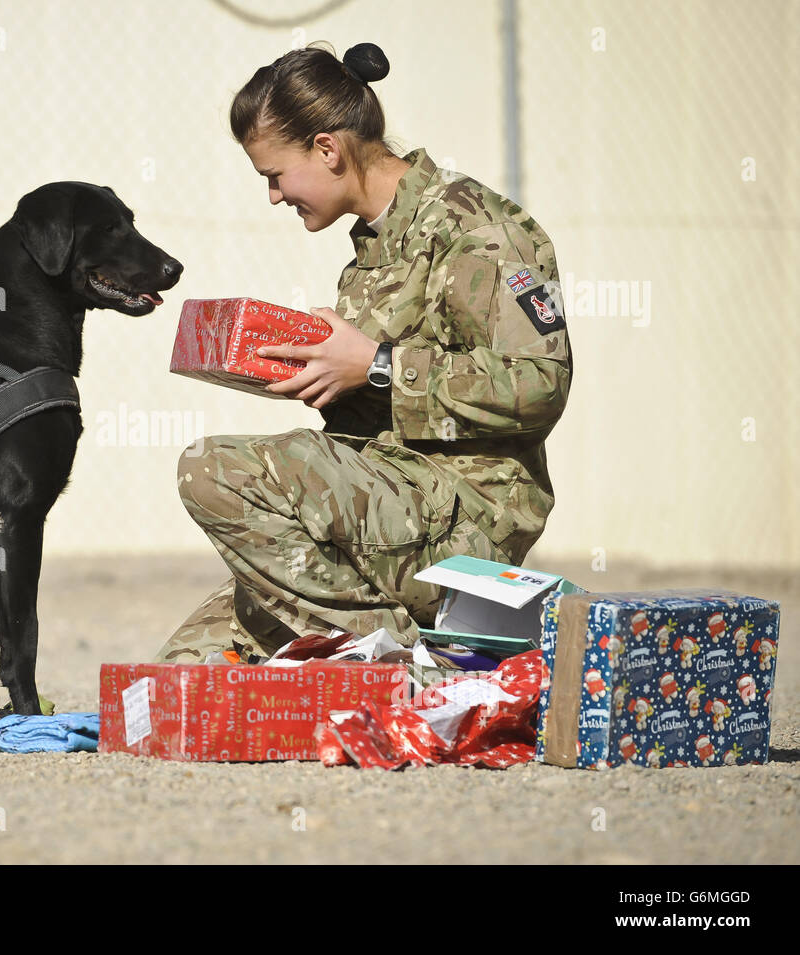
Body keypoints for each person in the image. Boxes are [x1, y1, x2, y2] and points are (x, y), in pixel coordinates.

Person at [153, 41, 572, 664]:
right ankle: (381, 655)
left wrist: (377, 365)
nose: (272, 196)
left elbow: (540, 382)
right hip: (390, 514)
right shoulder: (371, 255)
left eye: (274, 175)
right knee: (177, 680)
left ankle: (411, 664)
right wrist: (313, 374)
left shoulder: (476, 227)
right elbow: (379, 420)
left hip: (463, 526)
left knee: (212, 471)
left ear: (328, 149)